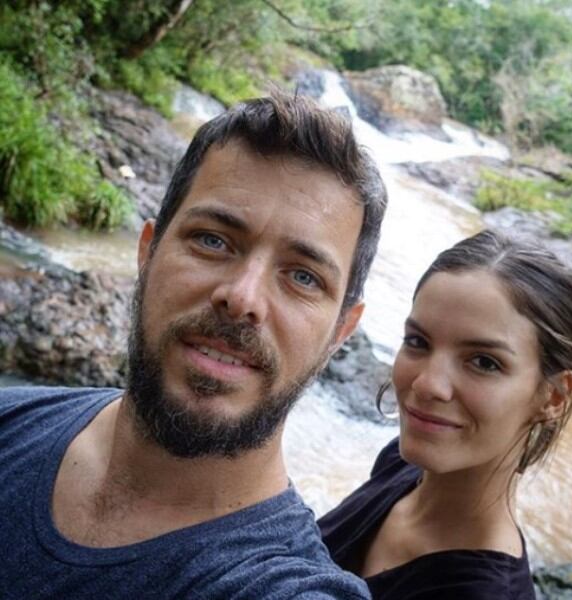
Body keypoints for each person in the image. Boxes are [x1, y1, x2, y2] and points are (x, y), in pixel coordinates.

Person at [0, 93, 387, 599]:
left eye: (302, 276)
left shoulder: (283, 586)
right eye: (213, 241)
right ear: (147, 250)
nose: (242, 298)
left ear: (341, 331)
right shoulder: (10, 423)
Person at [319, 230, 572, 600]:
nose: (429, 385)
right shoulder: (401, 465)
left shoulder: (483, 593)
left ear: (553, 396)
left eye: (483, 362)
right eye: (418, 342)